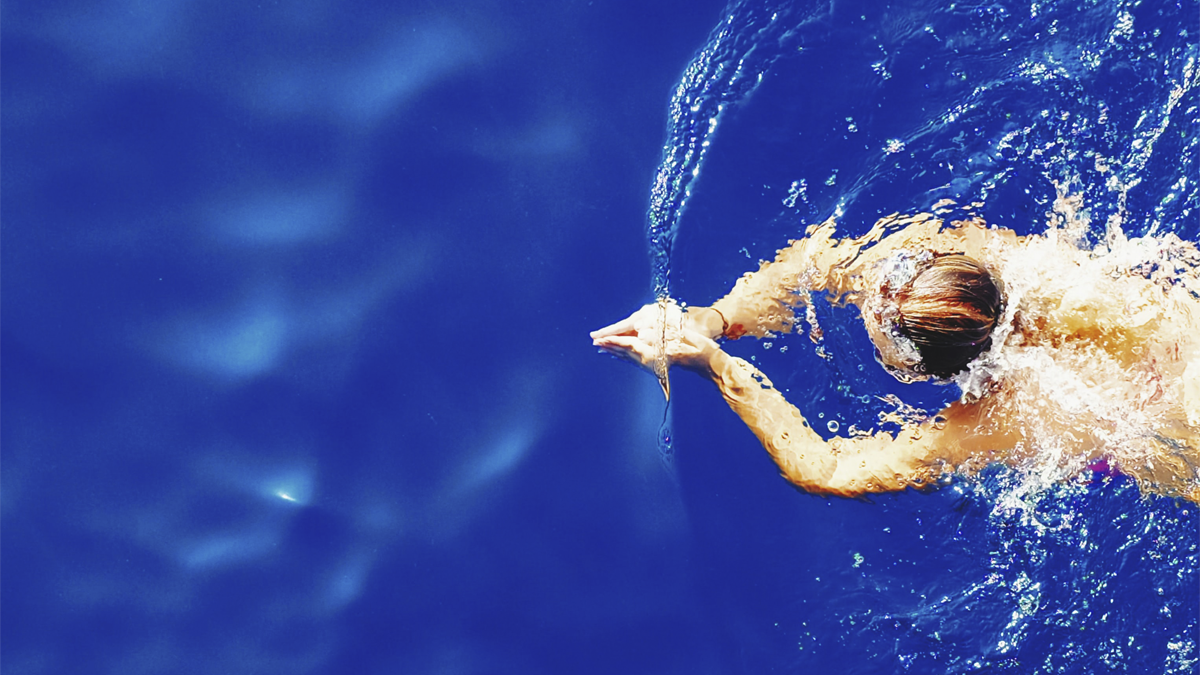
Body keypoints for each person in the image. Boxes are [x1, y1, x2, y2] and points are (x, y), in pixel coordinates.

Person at [592, 202, 1200, 502]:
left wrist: (717, 365)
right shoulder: (994, 265)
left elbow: (825, 471)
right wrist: (711, 319)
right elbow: (817, 262)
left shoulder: (1000, 419)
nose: (867, 286)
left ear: (913, 367)